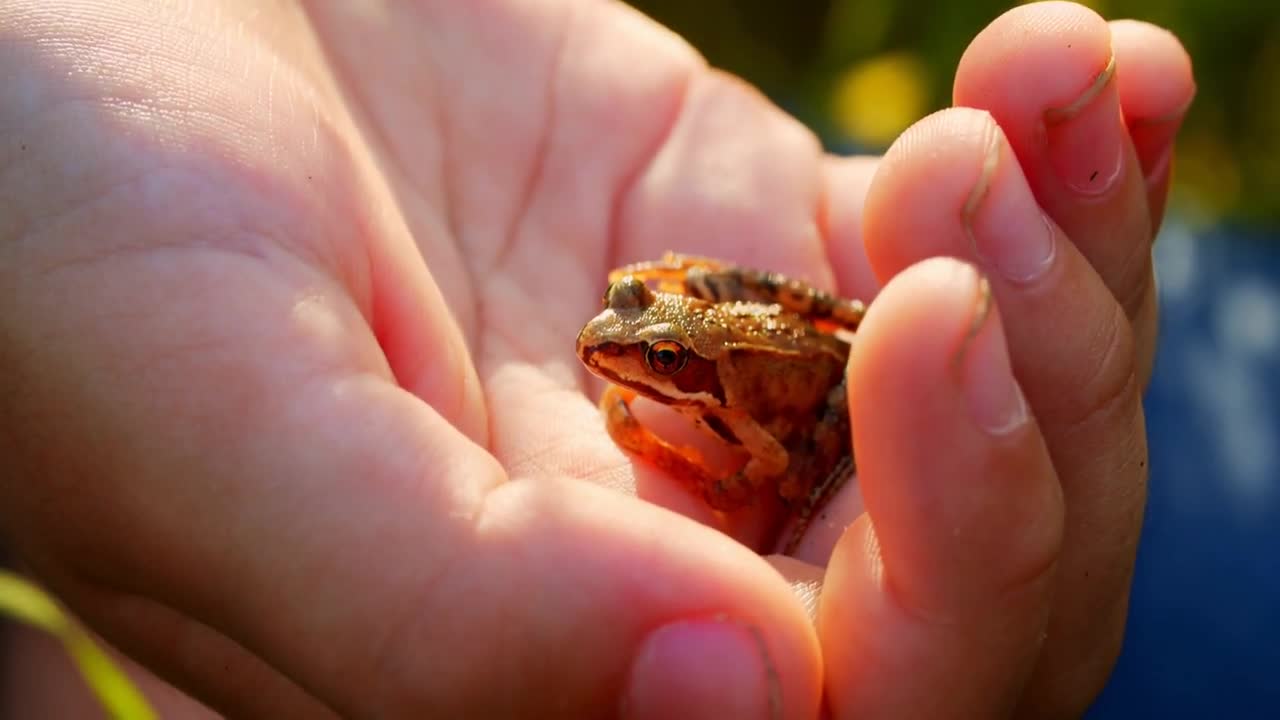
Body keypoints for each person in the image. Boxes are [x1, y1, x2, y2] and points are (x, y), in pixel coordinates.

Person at [0, 0, 1194, 717]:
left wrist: (703, 463)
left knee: (910, 420)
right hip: (773, 322)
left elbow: (760, 461)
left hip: (809, 378)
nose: (621, 358)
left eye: (654, 354)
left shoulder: (724, 399)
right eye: (639, 330)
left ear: (686, 366)